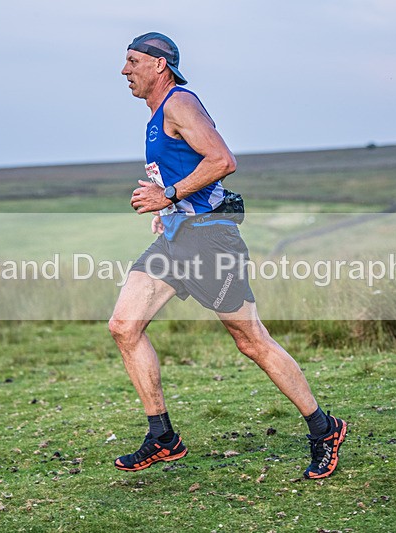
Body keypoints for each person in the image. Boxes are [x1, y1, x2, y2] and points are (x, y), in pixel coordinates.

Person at [110, 32, 346, 479]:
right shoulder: (158, 115)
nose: (125, 70)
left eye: (133, 61)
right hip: (177, 240)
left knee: (251, 340)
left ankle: (324, 428)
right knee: (124, 326)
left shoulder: (180, 103)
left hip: (209, 242)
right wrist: (170, 209)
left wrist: (170, 195)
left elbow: (222, 159)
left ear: (160, 65)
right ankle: (162, 436)